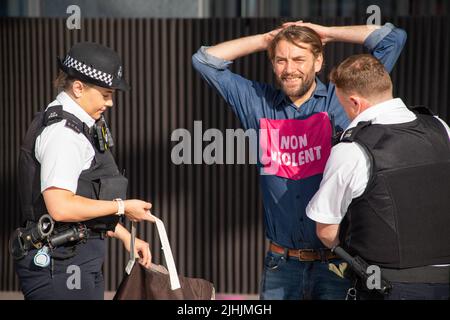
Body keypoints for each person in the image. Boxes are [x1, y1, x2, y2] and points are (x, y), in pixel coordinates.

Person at [192, 21, 407, 299]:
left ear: (318, 61)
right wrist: (266, 39)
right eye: (280, 60)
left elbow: (392, 39)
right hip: (281, 264)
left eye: (299, 59)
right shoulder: (258, 102)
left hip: (337, 264)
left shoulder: (338, 99)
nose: (289, 69)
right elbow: (205, 61)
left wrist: (327, 33)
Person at [11, 42, 155, 300]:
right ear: (78, 88)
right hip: (60, 267)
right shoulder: (64, 134)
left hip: (71, 261)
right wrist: (122, 207)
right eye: (105, 94)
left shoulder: (77, 125)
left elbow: (85, 190)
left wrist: (123, 235)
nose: (110, 103)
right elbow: (61, 207)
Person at [306, 54, 450, 300]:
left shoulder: (351, 149)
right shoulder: (440, 127)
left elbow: (326, 230)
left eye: (343, 106)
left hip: (388, 287)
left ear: (355, 103)